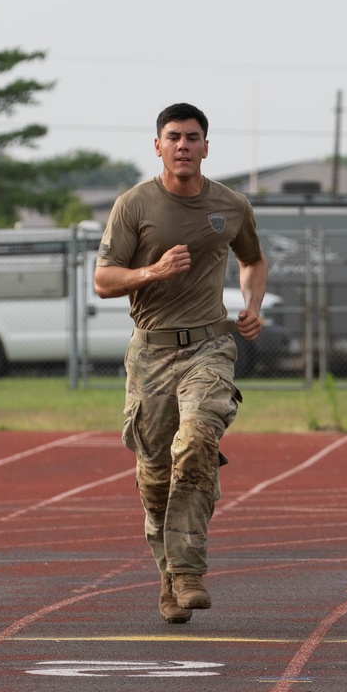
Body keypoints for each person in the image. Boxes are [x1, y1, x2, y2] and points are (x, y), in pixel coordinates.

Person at [94, 103, 267, 623]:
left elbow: (252, 259)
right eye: (174, 137)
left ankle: (189, 569)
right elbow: (104, 281)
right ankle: (168, 575)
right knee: (154, 476)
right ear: (158, 146)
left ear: (206, 147)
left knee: (196, 441)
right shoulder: (133, 205)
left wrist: (251, 305)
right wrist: (153, 271)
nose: (184, 145)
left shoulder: (231, 204)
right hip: (151, 352)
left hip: (209, 347)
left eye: (193, 137)